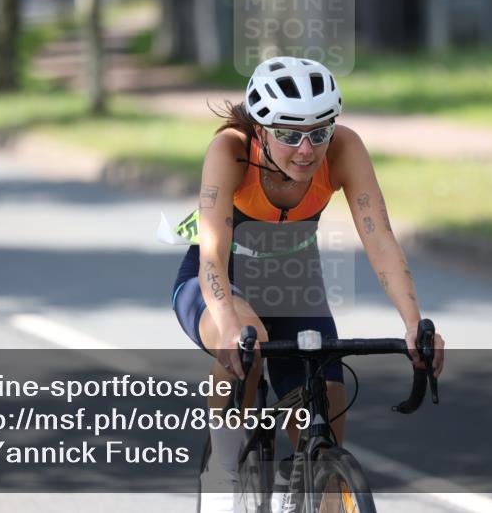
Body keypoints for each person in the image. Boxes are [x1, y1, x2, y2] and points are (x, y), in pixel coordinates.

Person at [169, 56, 445, 512]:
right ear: (260, 129)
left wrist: (414, 322)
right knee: (247, 341)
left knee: (325, 430)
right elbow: (213, 256)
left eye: (319, 132)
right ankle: (224, 469)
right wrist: (226, 325)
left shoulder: (345, 149)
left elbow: (379, 238)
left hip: (293, 286)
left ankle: (302, 494)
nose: (306, 150)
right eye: (289, 134)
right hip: (218, 281)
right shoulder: (230, 151)